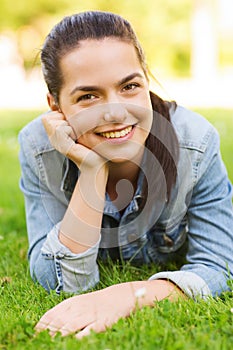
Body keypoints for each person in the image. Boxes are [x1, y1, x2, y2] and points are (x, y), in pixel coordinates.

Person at [18, 11, 233, 338]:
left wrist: (129, 295)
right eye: (88, 96)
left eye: (130, 86)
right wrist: (91, 170)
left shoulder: (196, 144)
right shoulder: (39, 147)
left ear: (146, 82)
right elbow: (57, 281)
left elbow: (220, 267)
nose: (116, 112)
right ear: (56, 106)